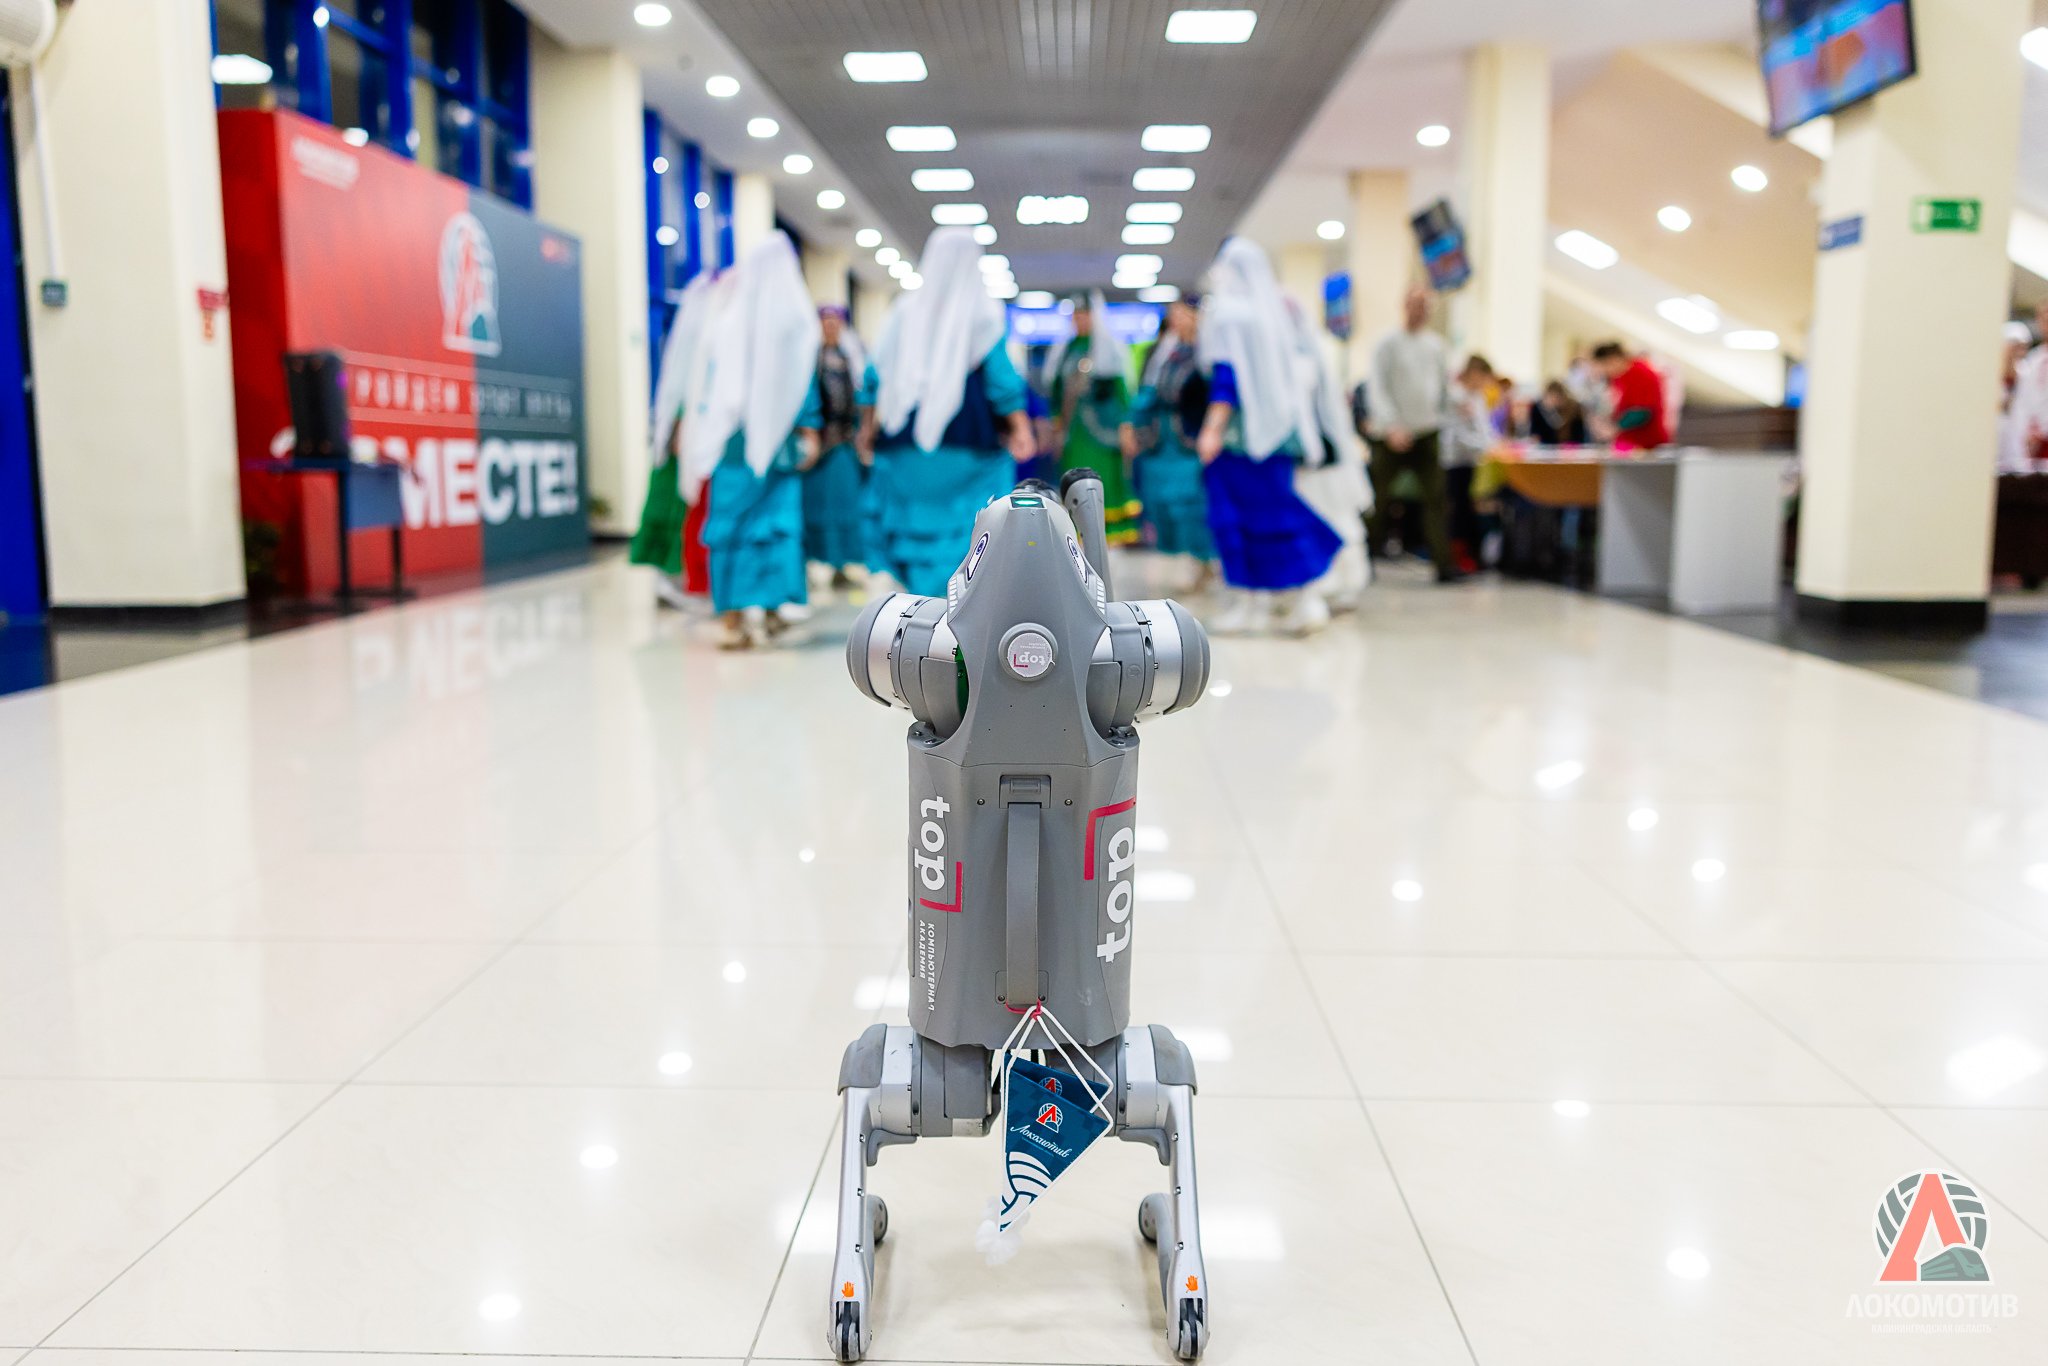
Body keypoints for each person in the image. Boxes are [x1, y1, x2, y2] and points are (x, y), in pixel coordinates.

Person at [863, 225, 1035, 596]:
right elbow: (1002, 383)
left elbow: (874, 375)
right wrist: (1021, 427)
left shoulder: (902, 311)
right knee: (968, 526)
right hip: (967, 444)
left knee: (911, 525)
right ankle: (954, 605)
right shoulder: (983, 314)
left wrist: (866, 430)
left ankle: (918, 604)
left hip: (903, 444)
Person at [1194, 237, 1343, 636]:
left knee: (1239, 521)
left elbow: (1226, 379)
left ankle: (1254, 603)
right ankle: (1300, 601)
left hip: (1239, 441)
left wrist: (1212, 429)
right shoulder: (1274, 314)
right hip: (1279, 436)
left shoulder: (1228, 315)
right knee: (1277, 515)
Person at [683, 233, 822, 650]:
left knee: (732, 526)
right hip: (780, 447)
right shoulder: (795, 322)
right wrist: (810, 431)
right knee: (775, 527)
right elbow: (803, 386)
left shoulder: (729, 320)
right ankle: (774, 609)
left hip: (733, 446)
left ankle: (734, 618)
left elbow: (712, 390)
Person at [632, 270, 721, 609]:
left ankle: (677, 579)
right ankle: (671, 578)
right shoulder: (698, 341)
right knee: (675, 508)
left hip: (687, 438)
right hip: (684, 441)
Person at [1364, 285, 1460, 582]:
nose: (1421, 311)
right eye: (1416, 304)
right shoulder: (1387, 343)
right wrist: (1391, 425)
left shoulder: (1436, 346)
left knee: (1436, 499)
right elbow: (1377, 388)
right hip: (1390, 434)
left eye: (1426, 306)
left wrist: (1449, 413)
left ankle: (1443, 565)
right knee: (1377, 500)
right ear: (1405, 305)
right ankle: (1363, 562)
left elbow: (1442, 388)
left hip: (1426, 431)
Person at [1121, 298, 1216, 583]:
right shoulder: (1164, 353)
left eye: (1182, 314)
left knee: (1190, 504)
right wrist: (1131, 423)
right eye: (1173, 315)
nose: (1176, 320)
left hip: (1191, 441)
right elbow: (1148, 392)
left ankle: (1201, 563)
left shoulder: (1208, 354)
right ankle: (1177, 561)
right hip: (1160, 441)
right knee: (1160, 502)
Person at [1048, 292, 1141, 544]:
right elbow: (1056, 391)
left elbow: (1121, 392)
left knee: (1102, 481)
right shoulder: (1067, 350)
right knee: (1073, 480)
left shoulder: (1108, 348)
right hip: (1073, 432)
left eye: (1084, 315)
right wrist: (1055, 422)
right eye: (1076, 315)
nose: (1080, 320)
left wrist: (1126, 426)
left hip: (1103, 433)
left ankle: (1108, 537)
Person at [801, 305, 870, 584]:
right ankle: (819, 561)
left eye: (835, 322)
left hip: (845, 444)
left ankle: (844, 563)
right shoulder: (811, 358)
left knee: (845, 502)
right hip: (820, 448)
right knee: (819, 505)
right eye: (825, 322)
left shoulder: (850, 357)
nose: (830, 327)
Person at [1594, 341, 1672, 450]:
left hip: (1647, 443)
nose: (1604, 372)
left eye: (1604, 367)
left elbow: (1643, 412)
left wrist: (1615, 427)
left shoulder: (1641, 374)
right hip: (1628, 442)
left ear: (1612, 360)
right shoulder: (1620, 378)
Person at [1530, 380, 1589, 445]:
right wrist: (1548, 412)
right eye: (1551, 397)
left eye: (1556, 398)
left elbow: (1579, 435)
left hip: (1571, 446)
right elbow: (1535, 434)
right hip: (1547, 446)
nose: (1553, 400)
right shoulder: (1538, 408)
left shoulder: (1574, 408)